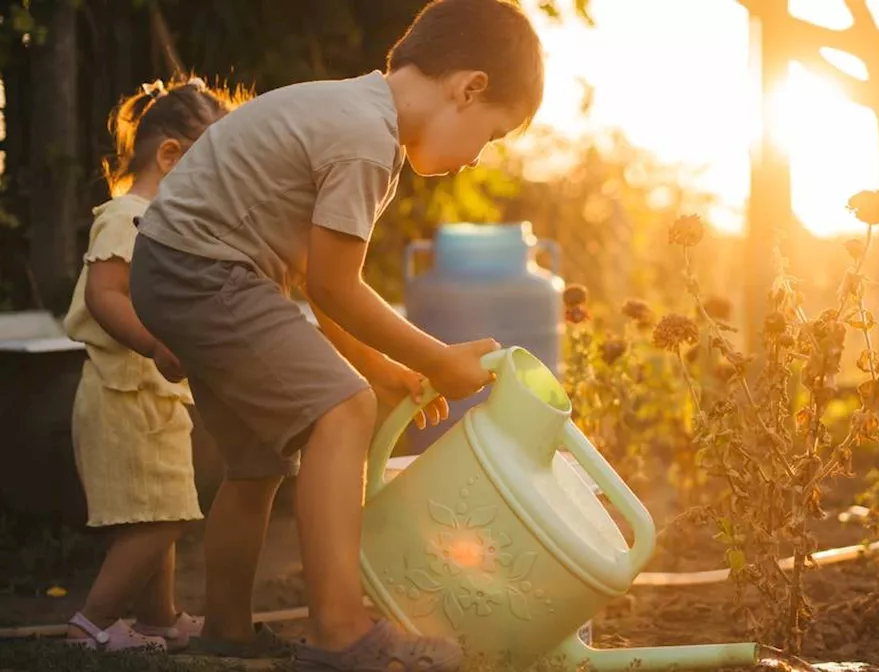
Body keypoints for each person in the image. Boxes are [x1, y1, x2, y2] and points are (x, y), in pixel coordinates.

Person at [127, 1, 545, 669]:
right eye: (491, 137)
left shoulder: (349, 112)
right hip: (203, 269)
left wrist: (386, 369)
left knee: (258, 460)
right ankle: (341, 630)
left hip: (179, 265)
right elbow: (334, 290)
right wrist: (437, 359)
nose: (475, 160)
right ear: (470, 88)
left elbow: (320, 287)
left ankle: (226, 630)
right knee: (342, 411)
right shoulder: (366, 139)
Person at [62, 76, 238, 653]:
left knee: (159, 510)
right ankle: (93, 623)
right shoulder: (126, 216)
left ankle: (158, 617)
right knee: (161, 516)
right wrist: (156, 346)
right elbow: (104, 295)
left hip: (150, 399)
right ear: (170, 155)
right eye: (210, 168)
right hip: (126, 395)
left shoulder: (157, 224)